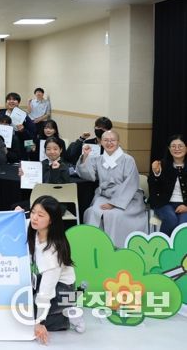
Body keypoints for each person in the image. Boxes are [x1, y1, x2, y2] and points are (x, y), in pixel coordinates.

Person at [24, 196, 85, 344]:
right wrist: (16, 214)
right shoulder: (34, 229)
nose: (34, 218)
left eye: (40, 215)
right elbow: (18, 223)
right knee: (20, 309)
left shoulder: (52, 252)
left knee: (28, 320)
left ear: (51, 220)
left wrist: (39, 322)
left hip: (61, 290)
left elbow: (46, 292)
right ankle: (64, 308)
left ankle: (69, 314)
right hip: (42, 280)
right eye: (33, 212)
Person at [76, 130, 147, 246]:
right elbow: (88, 175)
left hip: (127, 198)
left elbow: (131, 183)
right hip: (105, 195)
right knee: (92, 212)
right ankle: (94, 246)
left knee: (114, 215)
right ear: (101, 142)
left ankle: (115, 247)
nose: (109, 143)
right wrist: (85, 156)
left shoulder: (128, 160)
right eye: (106, 140)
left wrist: (114, 203)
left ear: (118, 142)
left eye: (112, 140)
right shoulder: (99, 159)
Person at [148, 135, 187, 235]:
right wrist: (156, 173)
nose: (177, 149)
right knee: (171, 220)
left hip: (184, 204)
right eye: (173, 146)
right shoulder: (161, 164)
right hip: (164, 204)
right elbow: (153, 188)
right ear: (169, 149)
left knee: (182, 226)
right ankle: (163, 243)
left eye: (180, 146)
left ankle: (180, 246)